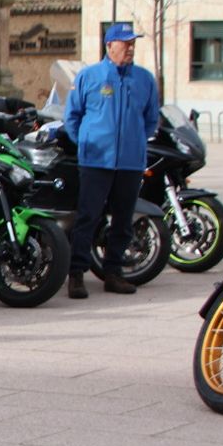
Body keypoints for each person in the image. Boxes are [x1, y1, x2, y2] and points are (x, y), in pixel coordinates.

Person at [64, 23, 160, 299]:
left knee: (123, 220)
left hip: (130, 163)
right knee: (88, 217)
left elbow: (151, 119)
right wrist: (85, 142)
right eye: (125, 43)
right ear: (110, 46)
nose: (130, 48)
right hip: (96, 161)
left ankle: (113, 273)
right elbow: (73, 116)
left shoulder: (144, 79)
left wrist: (135, 142)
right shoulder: (89, 77)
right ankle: (77, 274)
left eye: (133, 43)